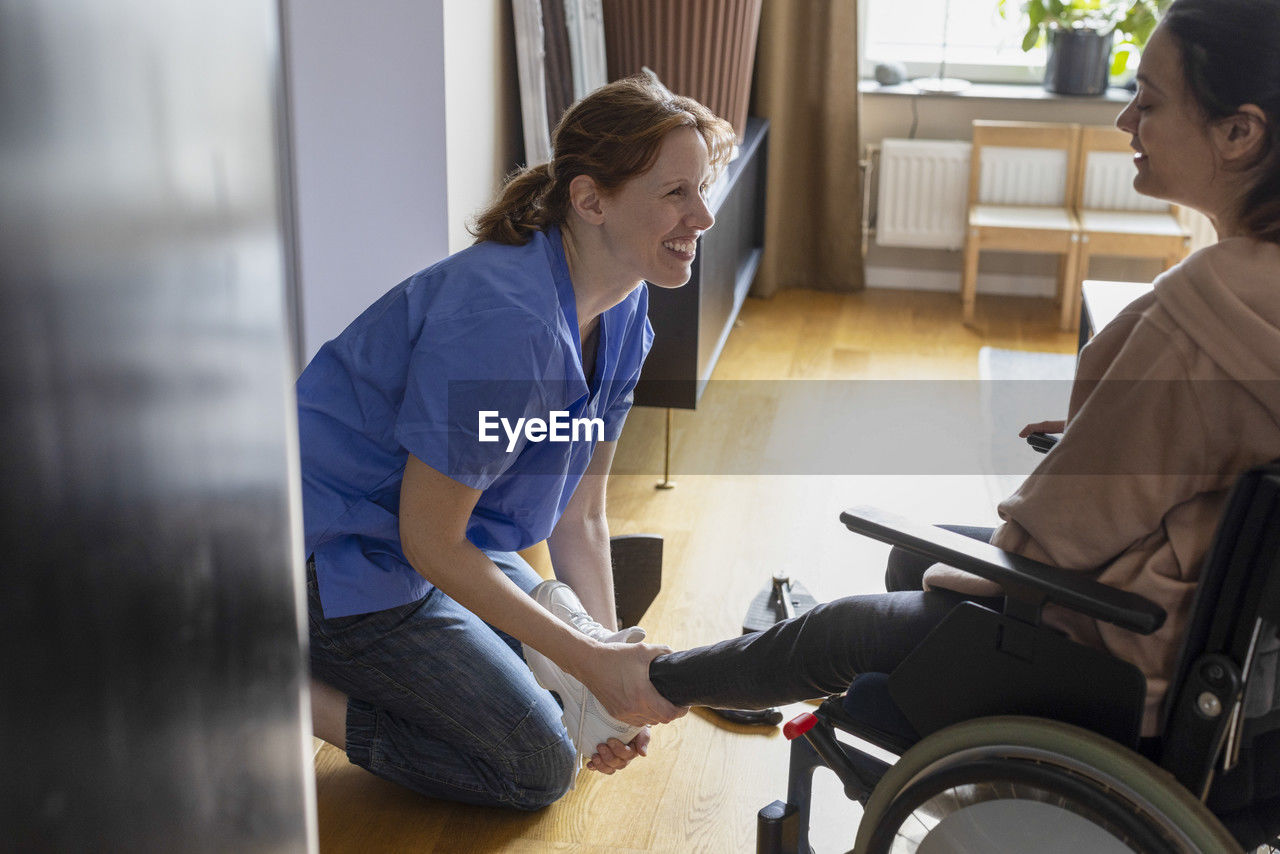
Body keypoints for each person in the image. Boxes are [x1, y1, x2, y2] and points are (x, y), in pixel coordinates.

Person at [531, 0, 1280, 777]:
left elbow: (1062, 531)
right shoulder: (1256, 298)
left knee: (846, 630)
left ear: (1239, 131)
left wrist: (973, 569)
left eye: (1151, 101)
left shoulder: (1199, 321)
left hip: (1127, 670)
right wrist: (1110, 422)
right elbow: (1197, 442)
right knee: (905, 572)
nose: (1126, 119)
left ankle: (640, 682)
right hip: (1216, 658)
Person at [299, 75, 736, 808]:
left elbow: (581, 517)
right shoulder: (504, 324)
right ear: (592, 201)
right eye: (675, 193)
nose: (702, 216)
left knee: (578, 711)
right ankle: (282, 695)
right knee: (538, 764)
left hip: (437, 536)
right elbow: (428, 541)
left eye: (703, 189)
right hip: (338, 558)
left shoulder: (627, 317)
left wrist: (605, 668)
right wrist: (588, 662)